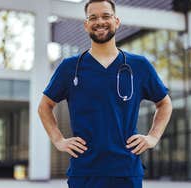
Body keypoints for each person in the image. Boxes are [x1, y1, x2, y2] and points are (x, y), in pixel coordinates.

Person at [38, 0, 173, 187]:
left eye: (106, 16)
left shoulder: (139, 66)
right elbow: (44, 106)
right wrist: (58, 140)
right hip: (84, 173)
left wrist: (153, 137)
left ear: (116, 21)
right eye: (93, 17)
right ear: (86, 25)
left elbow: (164, 103)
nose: (99, 21)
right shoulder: (70, 68)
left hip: (126, 172)